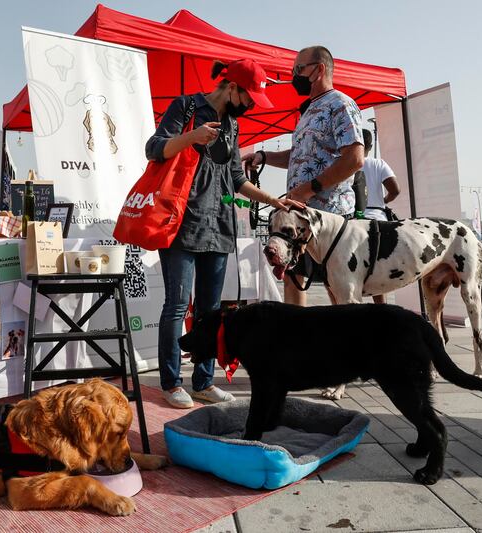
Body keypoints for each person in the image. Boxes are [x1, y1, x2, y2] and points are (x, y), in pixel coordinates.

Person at [147, 59, 302, 409]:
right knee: (176, 305)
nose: (250, 106)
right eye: (249, 98)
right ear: (231, 87)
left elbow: (236, 178)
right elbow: (154, 148)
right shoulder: (186, 106)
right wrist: (192, 137)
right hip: (181, 221)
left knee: (211, 309)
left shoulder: (232, 125)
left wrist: (275, 200)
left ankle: (203, 381)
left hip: (218, 224)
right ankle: (171, 383)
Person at [243, 45, 365, 306]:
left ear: (319, 69)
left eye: (299, 69)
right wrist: (264, 157)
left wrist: (310, 188)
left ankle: (348, 346)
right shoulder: (308, 109)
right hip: (298, 218)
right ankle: (296, 344)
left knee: (339, 291)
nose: (293, 75)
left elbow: (355, 159)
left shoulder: (341, 104)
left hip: (329, 219)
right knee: (292, 277)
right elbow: (300, 156)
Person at [359, 128, 400, 304]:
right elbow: (395, 190)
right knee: (376, 269)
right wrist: (382, 201)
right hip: (378, 220)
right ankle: (381, 308)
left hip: (355, 219)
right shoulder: (378, 164)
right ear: (370, 145)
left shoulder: (346, 163)